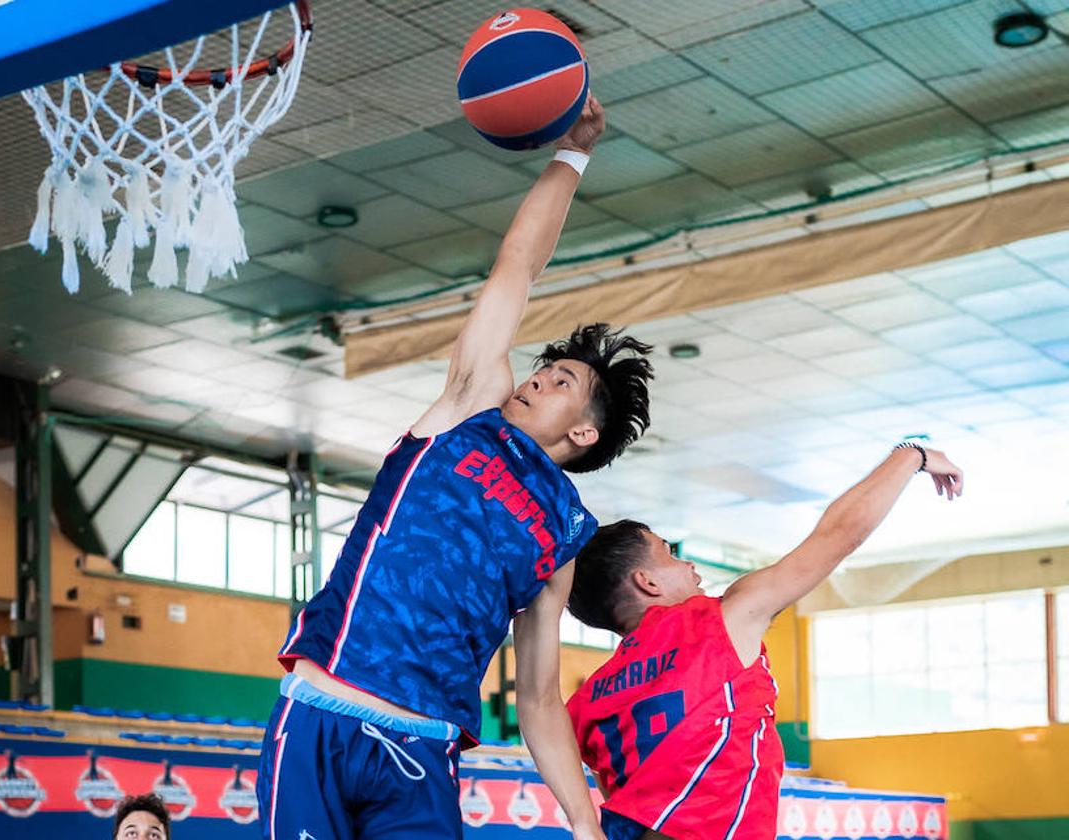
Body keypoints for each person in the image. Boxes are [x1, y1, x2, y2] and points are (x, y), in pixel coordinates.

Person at [257, 95, 655, 840]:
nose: (537, 379)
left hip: (421, 751)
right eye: (543, 370)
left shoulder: (564, 531)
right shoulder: (470, 406)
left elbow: (537, 696)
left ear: (585, 432)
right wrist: (572, 155)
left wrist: (585, 823)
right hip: (320, 715)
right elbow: (517, 265)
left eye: (561, 382)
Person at [566, 443, 964, 840]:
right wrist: (912, 456)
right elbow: (837, 535)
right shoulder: (716, 624)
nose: (688, 564)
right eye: (669, 554)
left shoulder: (586, 702)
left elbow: (617, 794)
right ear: (646, 582)